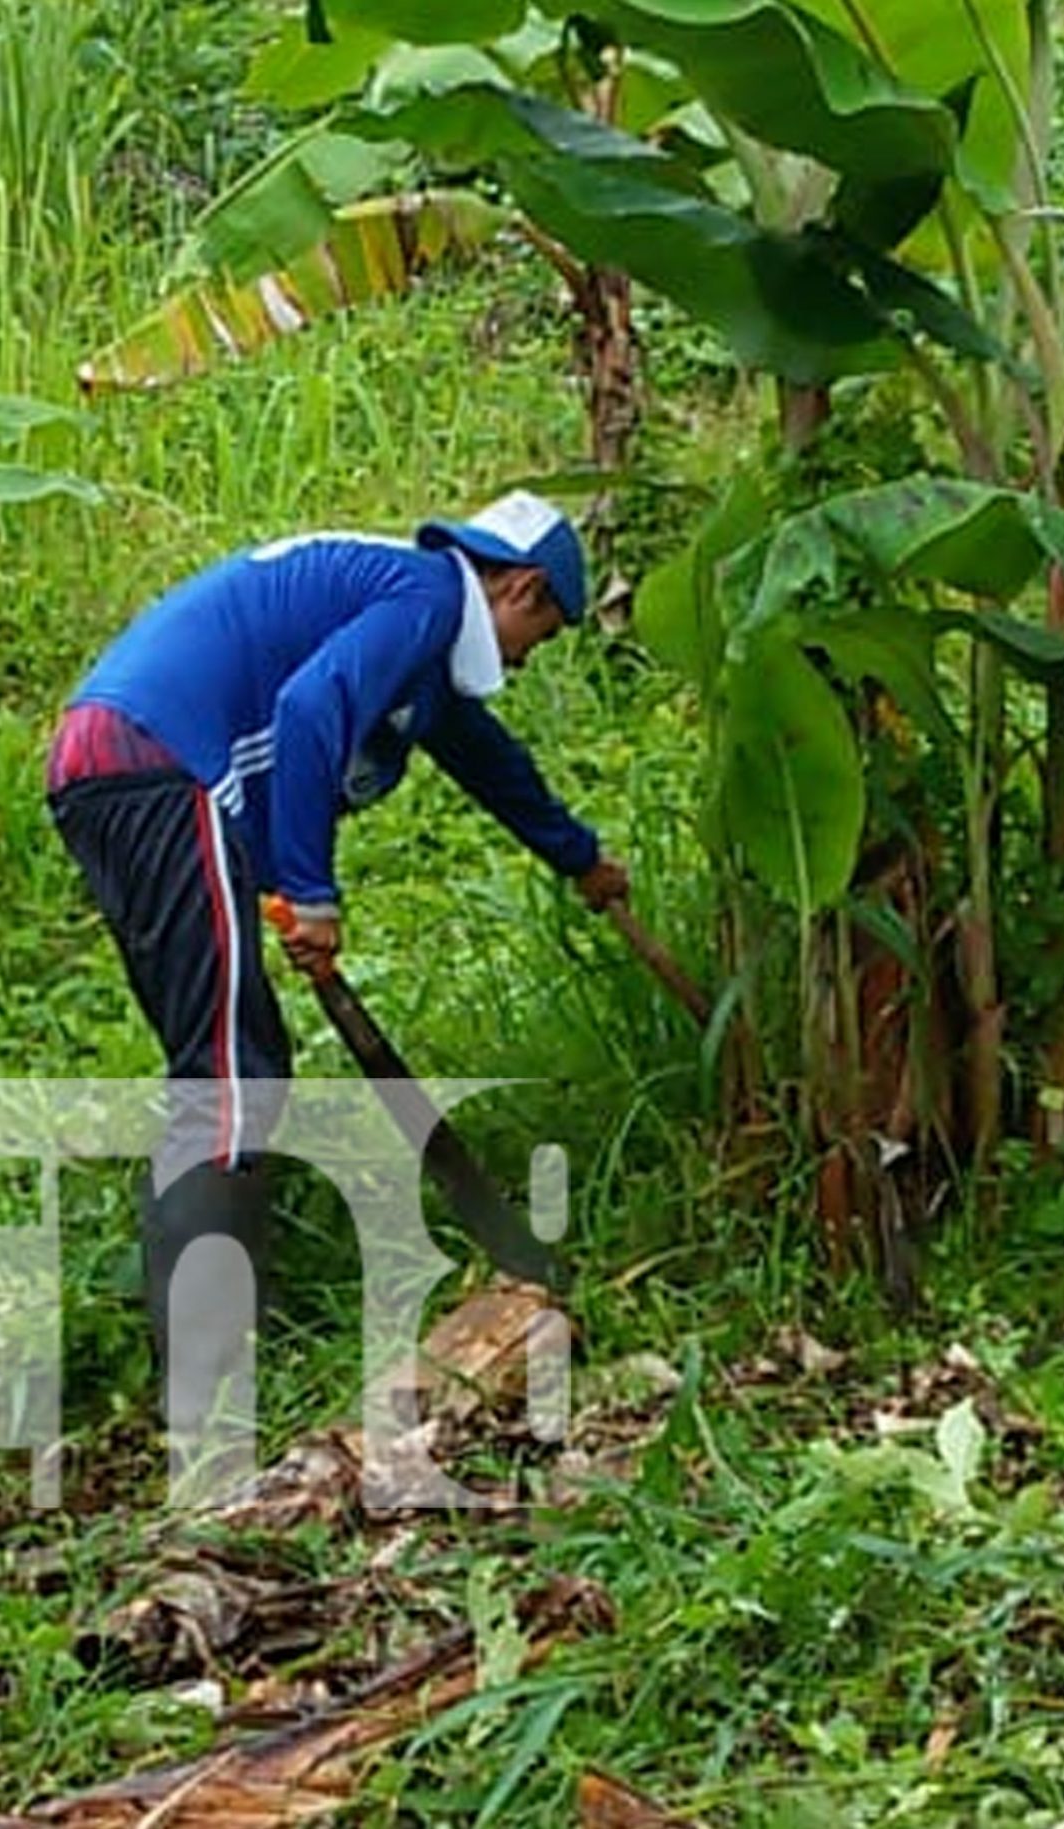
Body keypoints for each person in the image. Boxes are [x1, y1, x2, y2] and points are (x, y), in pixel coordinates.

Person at [46, 490, 628, 1483]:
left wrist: (579, 858)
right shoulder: (424, 598)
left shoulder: (412, 635)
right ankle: (203, 1389)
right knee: (228, 1062)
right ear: (520, 586)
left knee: (235, 1051)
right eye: (545, 627)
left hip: (117, 757)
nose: (534, 654)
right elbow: (308, 709)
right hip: (160, 761)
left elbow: (489, 761)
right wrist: (309, 889)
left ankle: (223, 1346)